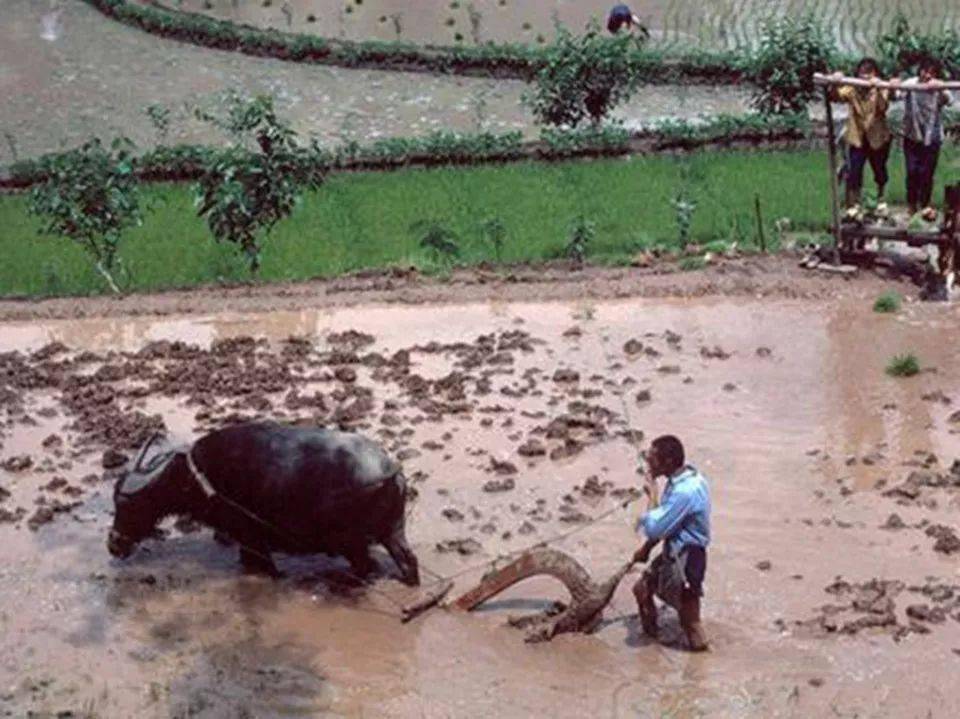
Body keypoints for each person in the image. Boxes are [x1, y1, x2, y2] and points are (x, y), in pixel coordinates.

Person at [632, 435, 711, 652]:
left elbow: (656, 527)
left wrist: (652, 495)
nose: (648, 464)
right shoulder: (681, 480)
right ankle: (653, 645)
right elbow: (669, 524)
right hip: (675, 550)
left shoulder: (685, 491)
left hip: (687, 558)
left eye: (652, 460)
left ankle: (699, 670)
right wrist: (646, 550)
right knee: (641, 589)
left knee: (691, 624)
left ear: (668, 462)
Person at [830, 58, 893, 216]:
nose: (865, 76)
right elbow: (835, 96)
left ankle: (881, 199)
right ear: (857, 74)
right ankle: (855, 203)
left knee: (879, 171)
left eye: (869, 72)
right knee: (854, 172)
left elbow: (883, 107)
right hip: (858, 137)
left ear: (875, 73)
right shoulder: (852, 88)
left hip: (878, 137)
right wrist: (835, 82)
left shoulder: (881, 88)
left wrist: (878, 88)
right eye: (862, 72)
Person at [896, 57, 953, 220]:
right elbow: (896, 94)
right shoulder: (911, 84)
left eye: (932, 73)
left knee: (927, 173)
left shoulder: (938, 86)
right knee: (912, 172)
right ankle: (912, 205)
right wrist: (893, 84)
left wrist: (941, 88)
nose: (927, 75)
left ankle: (925, 205)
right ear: (919, 71)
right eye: (925, 71)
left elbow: (949, 100)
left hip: (932, 138)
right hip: (912, 136)